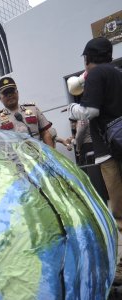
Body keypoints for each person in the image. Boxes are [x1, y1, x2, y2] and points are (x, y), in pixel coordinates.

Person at [68, 37, 122, 285]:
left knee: (119, 209)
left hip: (110, 151)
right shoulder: (117, 72)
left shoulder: (98, 73)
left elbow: (91, 112)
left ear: (88, 57)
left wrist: (73, 110)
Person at [0, 77, 54, 147]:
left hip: (38, 155)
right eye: (5, 93)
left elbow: (45, 133)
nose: (9, 95)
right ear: (0, 98)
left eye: (11, 91)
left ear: (17, 92)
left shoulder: (33, 109)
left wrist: (52, 156)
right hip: (14, 157)